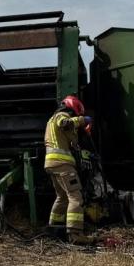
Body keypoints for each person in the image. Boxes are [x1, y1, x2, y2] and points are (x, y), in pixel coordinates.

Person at [44, 95, 91, 242]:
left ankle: (54, 229)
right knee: (75, 197)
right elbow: (65, 123)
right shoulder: (61, 115)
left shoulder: (50, 121)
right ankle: (75, 234)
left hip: (51, 164)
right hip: (62, 164)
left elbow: (67, 135)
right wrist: (82, 120)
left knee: (62, 197)